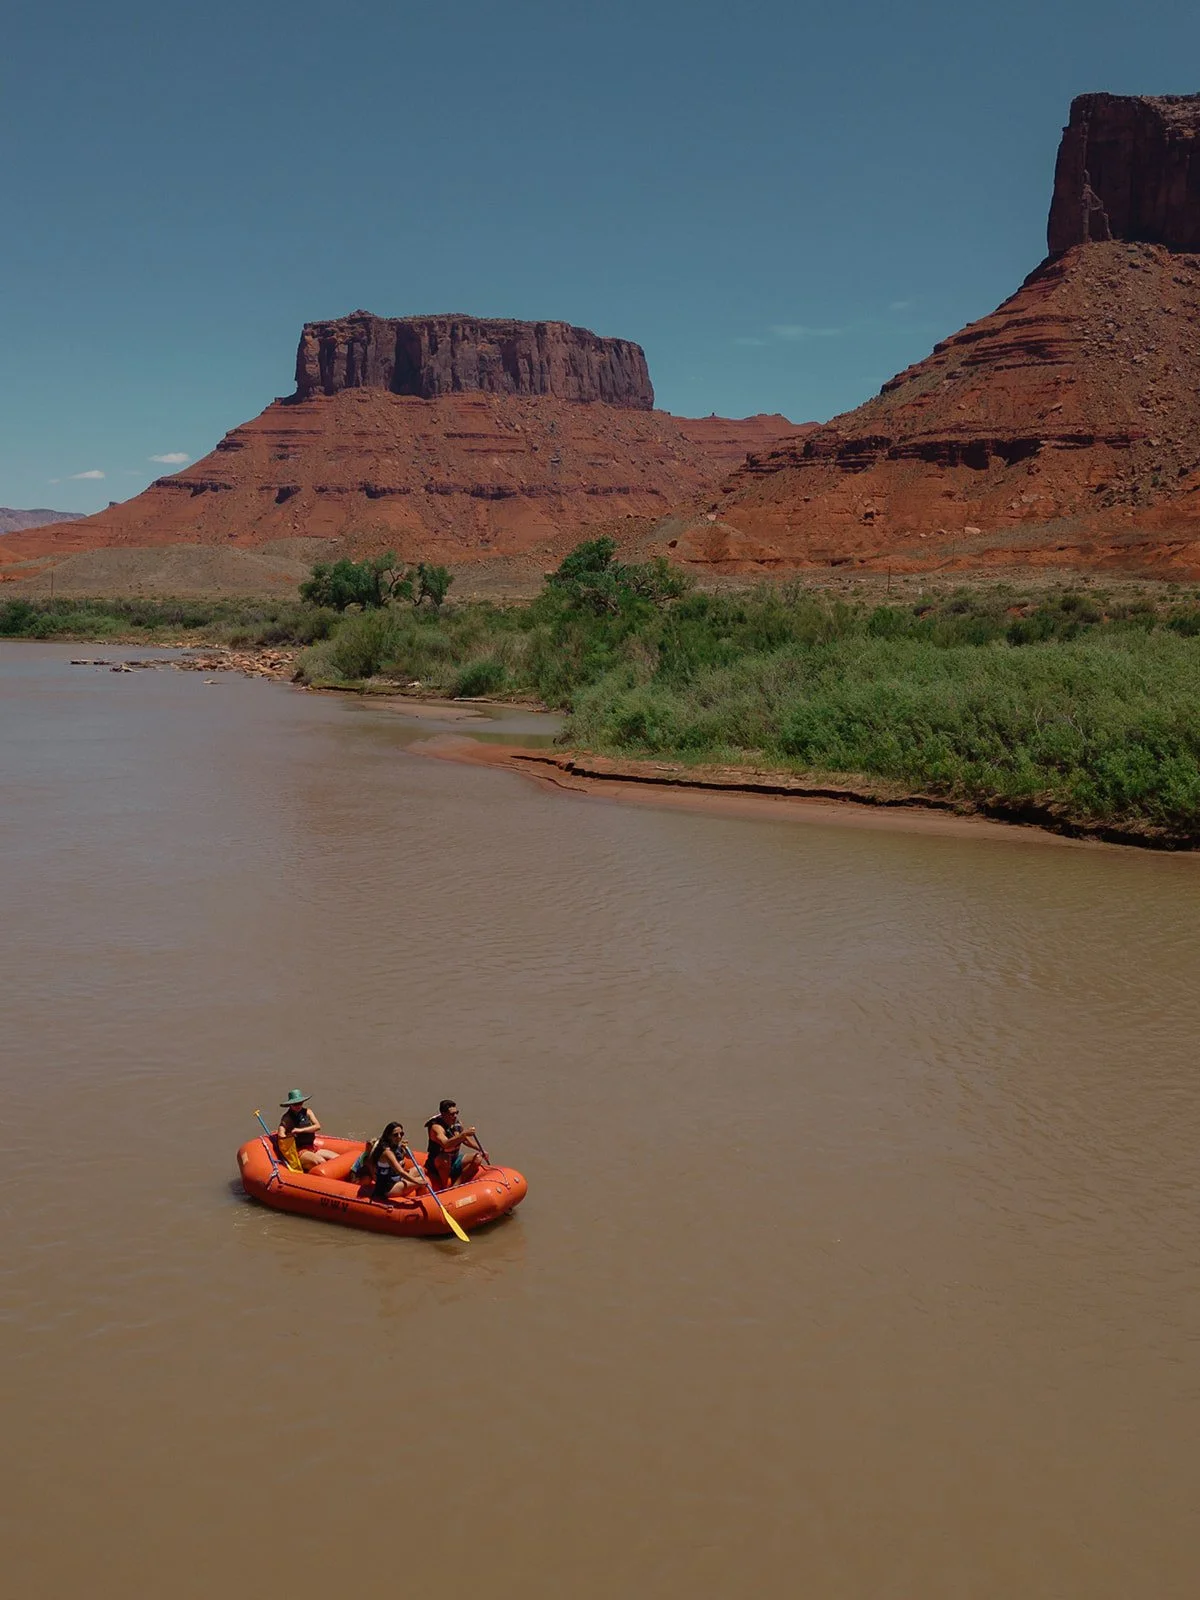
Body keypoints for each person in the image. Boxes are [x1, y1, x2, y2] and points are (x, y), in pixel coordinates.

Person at [423, 1099, 483, 1191]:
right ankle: (444, 1187)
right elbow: (445, 1144)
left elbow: (466, 1140)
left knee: (478, 1158)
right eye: (451, 1114)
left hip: (454, 1159)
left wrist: (481, 1149)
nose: (455, 1116)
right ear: (443, 1114)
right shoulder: (436, 1127)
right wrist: (463, 1134)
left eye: (456, 1113)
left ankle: (457, 1184)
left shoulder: (457, 1122)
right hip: (437, 1163)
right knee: (444, 1159)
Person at [276, 1089, 337, 1173]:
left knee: (337, 1158)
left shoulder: (308, 1112)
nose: (298, 1106)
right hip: (300, 1151)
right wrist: (287, 1136)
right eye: (295, 1104)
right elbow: (281, 1132)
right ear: (290, 1104)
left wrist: (300, 1130)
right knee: (321, 1162)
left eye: (300, 1103)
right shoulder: (287, 1118)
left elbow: (317, 1126)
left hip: (312, 1147)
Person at [370, 1122, 427, 1202]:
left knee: (420, 1169)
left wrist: (406, 1149)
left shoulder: (396, 1146)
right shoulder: (387, 1152)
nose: (399, 1137)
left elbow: (411, 1157)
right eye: (395, 1135)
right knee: (422, 1180)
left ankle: (420, 1196)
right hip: (388, 1188)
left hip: (396, 1179)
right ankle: (423, 1202)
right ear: (389, 1136)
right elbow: (400, 1171)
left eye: (401, 1134)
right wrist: (417, 1181)